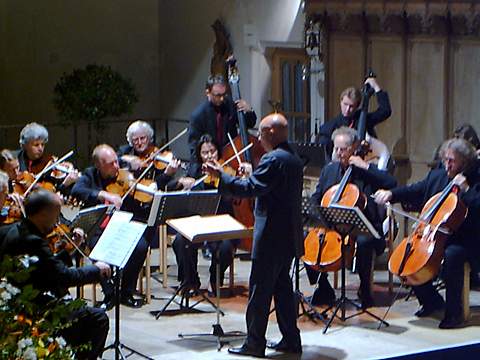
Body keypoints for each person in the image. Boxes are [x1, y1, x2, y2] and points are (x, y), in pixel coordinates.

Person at [203, 113, 303, 357]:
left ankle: (254, 344)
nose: (257, 137)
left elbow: (250, 189)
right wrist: (254, 173)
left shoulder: (272, 159)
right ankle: (291, 340)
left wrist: (221, 176)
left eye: (260, 132)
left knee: (259, 292)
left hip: (270, 237)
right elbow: (268, 185)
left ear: (270, 133)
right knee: (282, 291)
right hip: (288, 236)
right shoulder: (293, 158)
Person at [374, 137, 480, 329]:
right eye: (446, 159)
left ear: (465, 162)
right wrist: (392, 194)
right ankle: (431, 302)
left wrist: (466, 189)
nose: (447, 164)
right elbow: (415, 189)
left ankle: (454, 313)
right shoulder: (437, 176)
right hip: (437, 234)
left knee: (452, 255)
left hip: (468, 238)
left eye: (452, 161)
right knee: (409, 257)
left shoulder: (475, 181)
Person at [0, 189, 111, 359]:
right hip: (36, 308)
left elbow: (48, 266)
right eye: (56, 214)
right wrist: (96, 270)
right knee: (98, 318)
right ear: (44, 214)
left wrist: (71, 247)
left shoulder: (18, 229)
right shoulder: (33, 240)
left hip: (25, 299)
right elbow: (64, 277)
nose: (57, 221)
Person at [71, 144, 177, 309]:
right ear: (99, 165)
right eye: (110, 164)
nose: (116, 166)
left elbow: (145, 184)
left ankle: (126, 291)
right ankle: (110, 294)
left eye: (116, 161)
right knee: (99, 252)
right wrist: (104, 195)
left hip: (124, 224)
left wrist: (164, 176)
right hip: (99, 228)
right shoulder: (90, 175)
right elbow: (77, 190)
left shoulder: (124, 172)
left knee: (140, 247)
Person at [308, 126, 397, 308]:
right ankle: (324, 288)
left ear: (354, 148)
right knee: (305, 242)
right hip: (333, 225)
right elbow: (316, 197)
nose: (339, 153)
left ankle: (365, 290)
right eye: (336, 148)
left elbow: (391, 183)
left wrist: (365, 166)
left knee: (364, 244)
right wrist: (314, 213)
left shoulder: (366, 171)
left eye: (343, 149)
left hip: (365, 226)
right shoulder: (329, 170)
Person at [172, 134, 237, 294]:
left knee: (226, 247)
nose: (209, 156)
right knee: (179, 241)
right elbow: (176, 188)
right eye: (205, 153)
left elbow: (232, 198)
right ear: (200, 156)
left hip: (223, 224)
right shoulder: (195, 171)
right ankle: (190, 280)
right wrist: (182, 183)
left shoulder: (226, 172)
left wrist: (223, 178)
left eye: (213, 151)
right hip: (199, 223)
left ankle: (215, 279)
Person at [188, 74, 257, 174]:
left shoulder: (229, 105)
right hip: (210, 161)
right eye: (217, 95)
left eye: (224, 95)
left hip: (230, 160)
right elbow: (194, 148)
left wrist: (249, 110)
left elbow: (249, 124)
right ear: (208, 92)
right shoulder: (197, 116)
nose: (221, 99)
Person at [317, 77, 391, 156]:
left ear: (357, 106)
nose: (347, 109)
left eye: (351, 106)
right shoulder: (331, 126)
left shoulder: (363, 119)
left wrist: (376, 87)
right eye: (345, 104)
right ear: (341, 102)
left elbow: (385, 111)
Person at [16, 122, 79, 192]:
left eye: (42, 144)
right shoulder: (16, 161)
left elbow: (53, 194)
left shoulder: (50, 162)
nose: (40, 149)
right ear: (25, 145)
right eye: (36, 145)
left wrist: (64, 184)